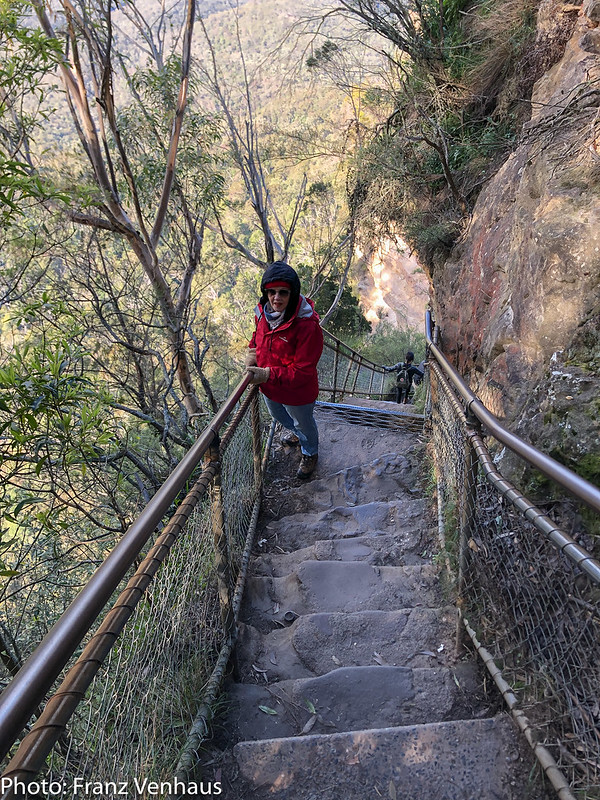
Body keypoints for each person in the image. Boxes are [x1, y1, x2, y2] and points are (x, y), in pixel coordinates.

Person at [245, 262, 324, 480]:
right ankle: (300, 435)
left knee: (303, 422)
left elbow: (303, 371)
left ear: (293, 293)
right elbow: (258, 336)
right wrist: (252, 351)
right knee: (277, 414)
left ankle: (310, 452)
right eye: (271, 292)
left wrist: (268, 374)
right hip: (271, 388)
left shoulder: (307, 326)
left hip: (298, 392)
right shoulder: (262, 314)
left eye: (283, 292)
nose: (276, 298)